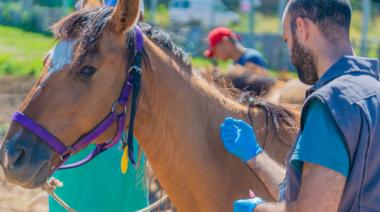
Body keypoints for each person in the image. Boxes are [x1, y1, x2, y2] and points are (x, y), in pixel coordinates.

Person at [220, 0, 380, 211]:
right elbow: (315, 193)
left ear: (301, 28)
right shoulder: (373, 90)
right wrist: (255, 156)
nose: (289, 51)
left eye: (287, 40)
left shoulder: (331, 103)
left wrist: (257, 209)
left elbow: (314, 208)